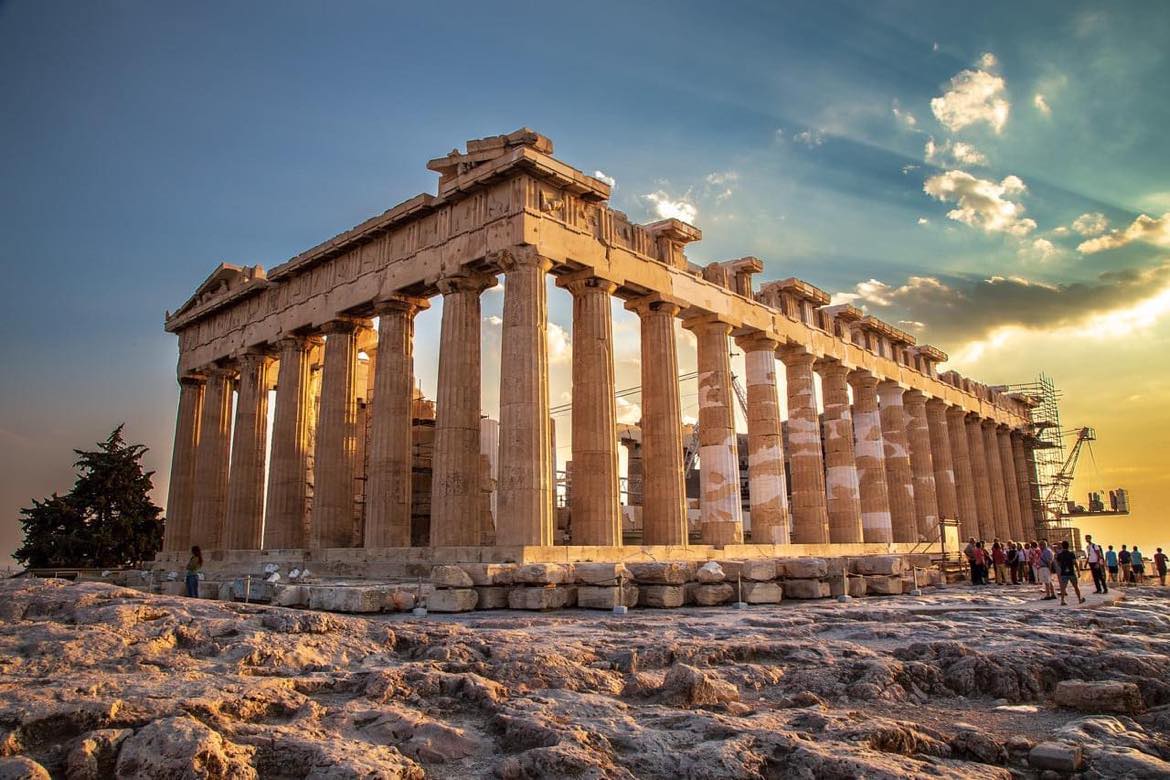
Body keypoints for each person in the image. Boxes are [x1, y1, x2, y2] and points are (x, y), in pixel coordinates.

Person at [1056, 540, 1086, 605]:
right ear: (1068, 546)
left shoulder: (1059, 555)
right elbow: (1075, 563)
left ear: (1062, 546)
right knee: (1076, 586)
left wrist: (1063, 567)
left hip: (1063, 573)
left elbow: (1058, 563)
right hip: (1071, 572)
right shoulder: (1071, 553)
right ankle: (1079, 599)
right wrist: (1078, 571)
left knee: (1063, 587)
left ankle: (1062, 601)